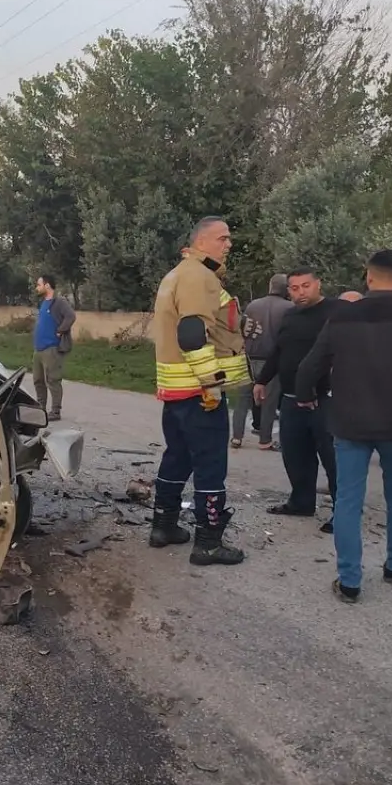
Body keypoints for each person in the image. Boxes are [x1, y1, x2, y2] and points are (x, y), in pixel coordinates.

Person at [295, 249, 392, 603]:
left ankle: (349, 580)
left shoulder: (343, 316)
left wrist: (304, 395)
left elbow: (310, 365)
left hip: (350, 423)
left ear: (368, 276)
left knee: (347, 500)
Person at [149, 217, 251, 565]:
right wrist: (211, 385)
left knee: (177, 456)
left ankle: (163, 526)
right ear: (201, 242)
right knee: (210, 465)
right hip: (199, 391)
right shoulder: (200, 276)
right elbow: (192, 333)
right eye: (222, 238)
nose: (228, 245)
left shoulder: (176, 274)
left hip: (175, 390)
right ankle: (207, 543)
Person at [254, 268, 342, 533]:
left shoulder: (336, 312)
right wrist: (262, 380)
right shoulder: (289, 316)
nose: (300, 292)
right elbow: (279, 351)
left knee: (332, 458)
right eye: (294, 288)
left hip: (324, 400)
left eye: (306, 286)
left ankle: (343, 511)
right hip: (291, 398)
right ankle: (301, 501)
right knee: (295, 455)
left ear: (318, 284)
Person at [235, 273, 291, 450]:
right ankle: (264, 440)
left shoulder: (253, 305)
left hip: (248, 358)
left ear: (270, 286)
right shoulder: (289, 308)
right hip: (271, 362)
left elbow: (243, 328)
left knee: (243, 399)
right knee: (269, 401)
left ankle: (236, 437)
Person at [31, 272, 76, 421]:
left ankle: (55, 411)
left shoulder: (59, 302)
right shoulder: (44, 302)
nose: (37, 287)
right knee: (38, 380)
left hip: (51, 348)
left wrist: (60, 330)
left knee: (53, 380)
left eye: (39, 284)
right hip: (38, 349)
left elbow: (71, 316)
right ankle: (40, 408)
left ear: (47, 285)